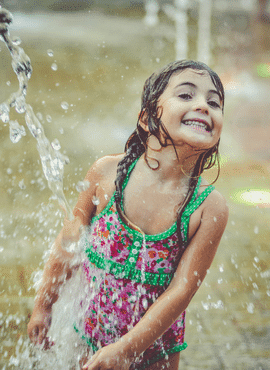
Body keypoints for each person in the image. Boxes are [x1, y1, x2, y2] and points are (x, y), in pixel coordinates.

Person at [27, 60, 229, 370]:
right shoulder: (107, 174)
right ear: (148, 118)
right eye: (186, 96)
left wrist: (127, 348)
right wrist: (43, 304)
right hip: (89, 333)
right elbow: (69, 243)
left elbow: (182, 290)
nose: (203, 106)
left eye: (213, 102)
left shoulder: (208, 207)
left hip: (155, 350)